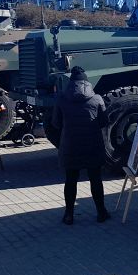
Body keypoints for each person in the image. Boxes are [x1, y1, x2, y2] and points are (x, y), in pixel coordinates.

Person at [52, 66, 110, 225]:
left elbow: (56, 123)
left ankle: (69, 215)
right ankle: (101, 212)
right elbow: (104, 122)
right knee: (95, 179)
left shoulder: (61, 99)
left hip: (70, 146)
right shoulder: (96, 99)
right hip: (93, 145)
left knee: (71, 180)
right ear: (87, 82)